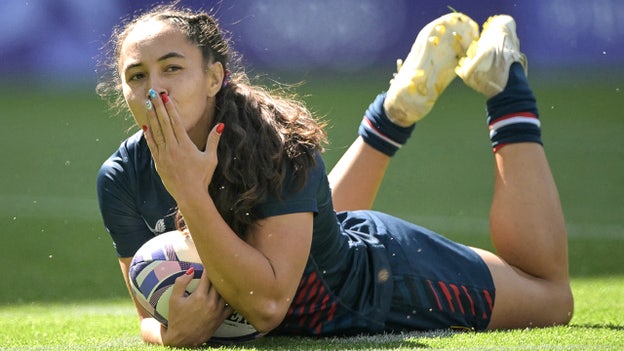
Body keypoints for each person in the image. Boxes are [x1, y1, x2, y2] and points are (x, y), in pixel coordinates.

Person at [96, 4, 573, 348]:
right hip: (308, 248)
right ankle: (392, 114)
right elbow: (148, 308)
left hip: (376, 285)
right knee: (305, 230)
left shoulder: (276, 143)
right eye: (136, 76)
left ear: (215, 78)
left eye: (171, 68)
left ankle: (505, 87)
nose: (153, 88)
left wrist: (189, 192)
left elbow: (266, 306)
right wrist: (168, 335)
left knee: (553, 300)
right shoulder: (120, 176)